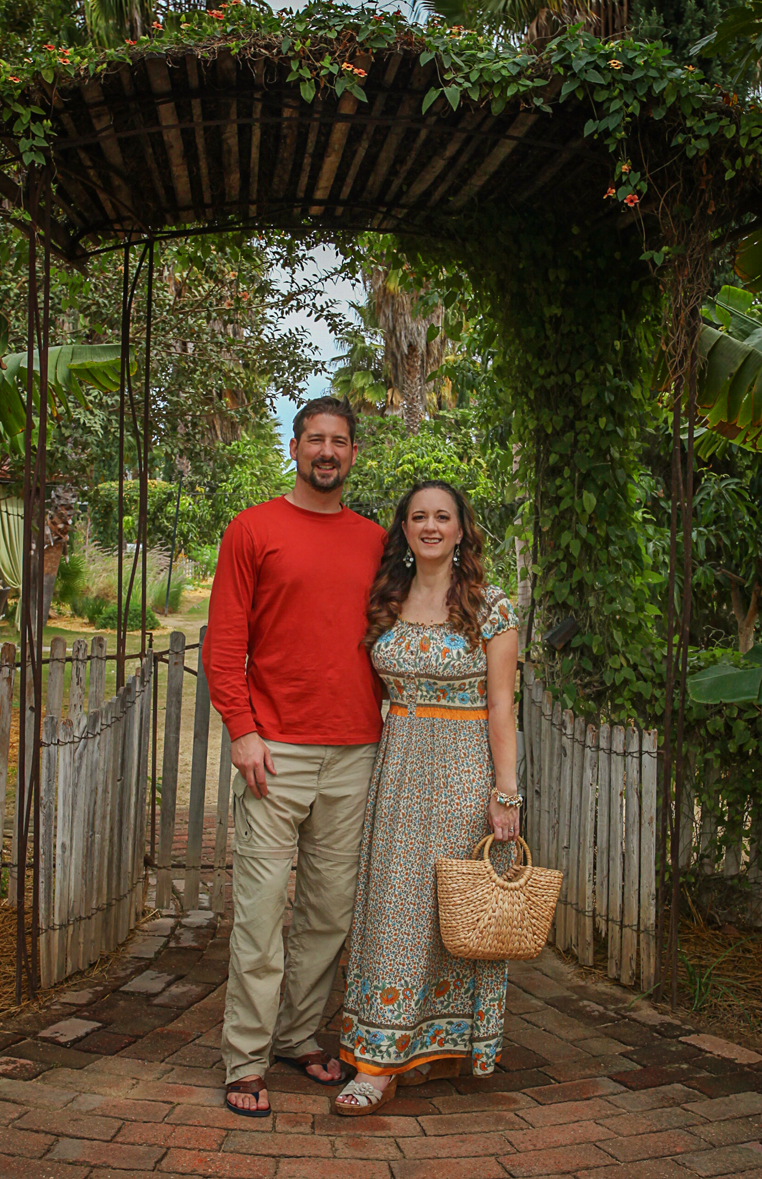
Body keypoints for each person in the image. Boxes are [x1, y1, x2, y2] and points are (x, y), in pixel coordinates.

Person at [201, 396, 387, 1119]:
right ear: (294, 447)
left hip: (356, 749)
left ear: (353, 453)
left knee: (328, 912)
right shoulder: (252, 529)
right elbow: (224, 642)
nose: (328, 452)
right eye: (316, 439)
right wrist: (242, 729)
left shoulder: (375, 540)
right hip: (273, 748)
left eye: (340, 441)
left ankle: (299, 1035)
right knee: (259, 909)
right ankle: (245, 1058)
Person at [334, 479, 521, 1116]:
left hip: (463, 770)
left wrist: (506, 793)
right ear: (405, 529)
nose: (433, 526)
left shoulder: (491, 605)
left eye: (444, 516)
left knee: (451, 913)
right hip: (398, 770)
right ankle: (378, 1058)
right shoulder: (386, 597)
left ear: (463, 528)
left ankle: (437, 1047)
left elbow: (502, 705)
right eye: (420, 517)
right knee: (394, 910)